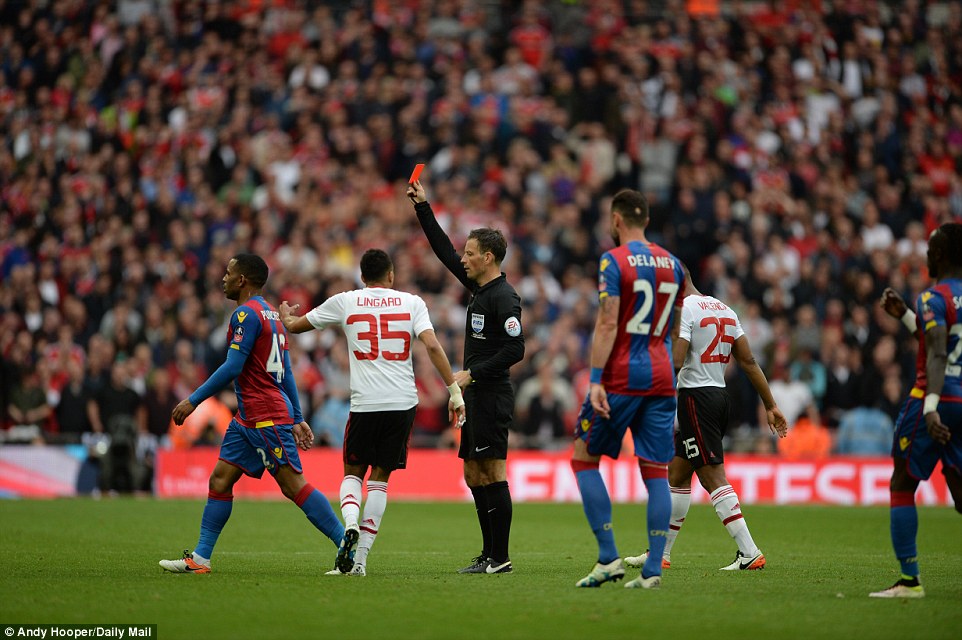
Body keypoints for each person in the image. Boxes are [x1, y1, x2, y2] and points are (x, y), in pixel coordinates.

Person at [279, 249, 466, 577]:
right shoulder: (412, 303)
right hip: (403, 403)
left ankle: (349, 525)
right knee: (380, 480)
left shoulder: (346, 301)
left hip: (366, 403)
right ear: (391, 275)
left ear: (362, 277)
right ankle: (361, 561)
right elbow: (434, 346)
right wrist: (454, 391)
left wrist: (285, 316)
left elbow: (295, 326)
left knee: (352, 474)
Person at [159, 254, 345, 574]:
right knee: (220, 478)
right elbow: (284, 369)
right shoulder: (272, 314)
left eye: (229, 273)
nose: (224, 278)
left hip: (265, 416)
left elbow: (233, 367)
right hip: (247, 418)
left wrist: (193, 401)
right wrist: (298, 416)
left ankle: (346, 544)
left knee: (292, 485)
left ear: (242, 280)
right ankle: (201, 558)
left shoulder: (245, 314)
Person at [624, 268, 787, 573]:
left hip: (696, 400)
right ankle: (660, 553)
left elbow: (677, 359)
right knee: (677, 473)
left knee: (712, 476)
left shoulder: (684, 309)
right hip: (719, 395)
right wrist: (771, 404)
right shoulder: (724, 308)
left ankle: (749, 551)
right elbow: (749, 361)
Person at [408, 179, 525, 575]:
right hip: (475, 395)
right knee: (473, 472)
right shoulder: (477, 288)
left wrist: (471, 373)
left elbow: (516, 349)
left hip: (491, 395)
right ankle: (488, 553)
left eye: (471, 253)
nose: (464, 258)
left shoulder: (503, 298)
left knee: (492, 471)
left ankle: (501, 556)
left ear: (488, 257)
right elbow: (443, 252)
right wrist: (424, 207)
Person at [571, 189, 685, 590]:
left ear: (616, 219)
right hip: (661, 374)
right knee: (655, 471)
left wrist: (597, 378)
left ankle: (608, 558)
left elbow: (607, 321)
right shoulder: (673, 263)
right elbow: (680, 319)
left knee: (584, 459)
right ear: (646, 220)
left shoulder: (613, 260)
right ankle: (653, 569)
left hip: (621, 375)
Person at [871, 223, 962, 599]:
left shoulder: (933, 297)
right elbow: (939, 341)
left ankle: (910, 581)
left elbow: (938, 353)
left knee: (902, 483)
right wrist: (906, 317)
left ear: (939, 256)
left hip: (933, 399)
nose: (925, 255)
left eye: (929, 249)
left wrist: (931, 408)